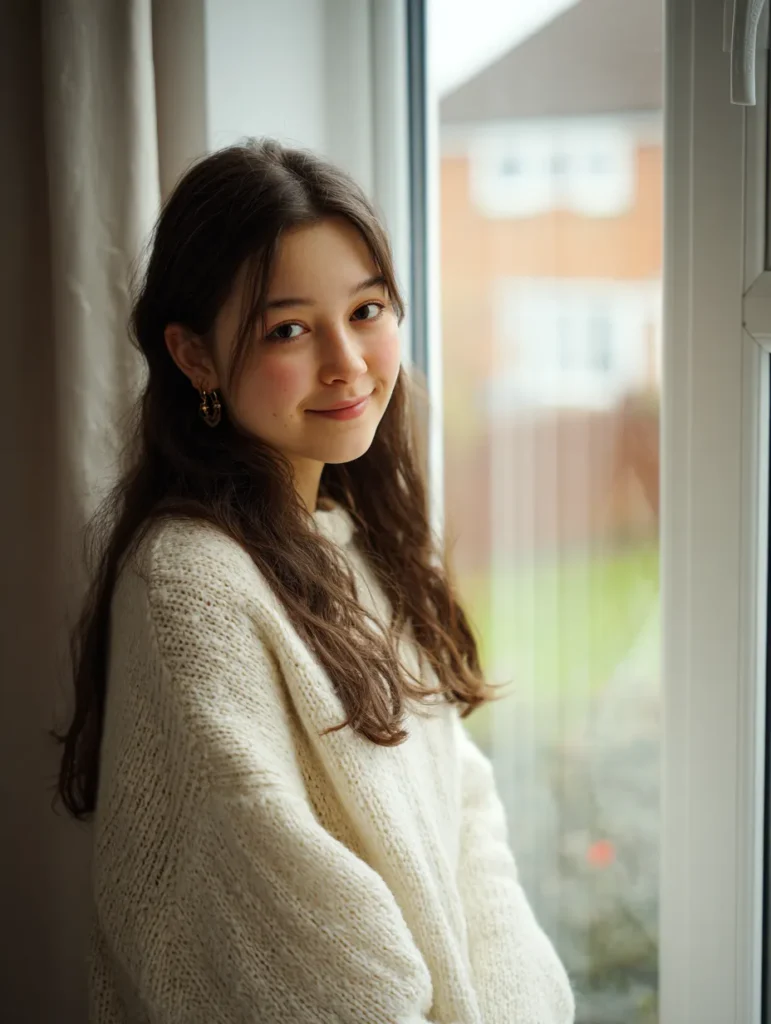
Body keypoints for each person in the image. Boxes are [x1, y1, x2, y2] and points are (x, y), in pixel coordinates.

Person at [54, 138, 575, 1024]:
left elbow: (467, 826)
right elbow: (297, 951)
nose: (348, 362)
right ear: (195, 357)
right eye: (288, 329)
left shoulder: (353, 543)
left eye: (367, 310)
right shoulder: (192, 586)